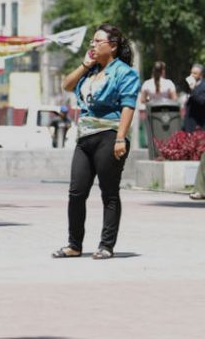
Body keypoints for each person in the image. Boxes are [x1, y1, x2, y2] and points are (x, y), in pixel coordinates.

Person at [52, 23, 140, 260]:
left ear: (111, 46)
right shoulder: (90, 71)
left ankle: (106, 245)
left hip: (109, 135)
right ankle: (74, 244)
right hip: (85, 137)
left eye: (97, 41)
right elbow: (67, 85)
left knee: (109, 192)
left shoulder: (125, 73)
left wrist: (120, 138)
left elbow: (128, 106)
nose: (92, 44)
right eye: (92, 41)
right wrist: (85, 65)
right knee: (76, 191)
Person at [183, 63, 205, 132]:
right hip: (189, 124)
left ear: (201, 75)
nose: (191, 75)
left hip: (200, 124)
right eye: (191, 73)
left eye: (195, 73)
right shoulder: (191, 86)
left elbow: (201, 101)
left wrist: (193, 89)